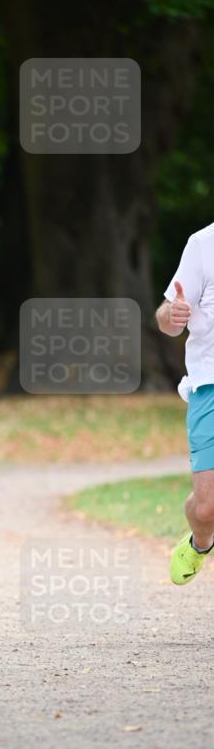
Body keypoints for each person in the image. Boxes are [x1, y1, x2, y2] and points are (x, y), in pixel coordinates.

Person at [156, 222, 214, 584]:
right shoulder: (203, 245)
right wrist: (172, 316)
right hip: (210, 384)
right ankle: (200, 541)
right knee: (207, 508)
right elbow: (166, 319)